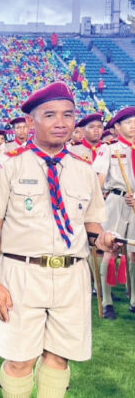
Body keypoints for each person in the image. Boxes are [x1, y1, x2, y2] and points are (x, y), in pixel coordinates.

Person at [0, 82, 115, 398]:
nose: (61, 122)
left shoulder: (84, 169)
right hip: (22, 274)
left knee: (59, 358)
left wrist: (102, 239)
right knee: (20, 360)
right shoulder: (9, 164)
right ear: (30, 122)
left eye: (68, 115)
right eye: (50, 115)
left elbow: (89, 224)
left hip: (72, 275)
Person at [91, 106, 135, 319]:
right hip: (116, 202)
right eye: (128, 122)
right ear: (116, 127)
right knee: (111, 249)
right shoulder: (109, 149)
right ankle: (107, 300)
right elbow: (99, 178)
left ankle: (134, 298)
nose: (133, 126)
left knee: (134, 253)